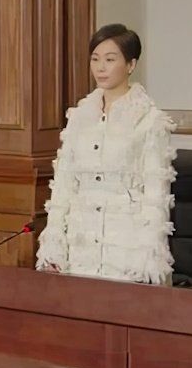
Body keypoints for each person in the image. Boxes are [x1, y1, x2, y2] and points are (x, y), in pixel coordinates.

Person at [34, 24, 177, 285]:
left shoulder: (150, 120)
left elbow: (156, 196)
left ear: (131, 65)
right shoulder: (79, 117)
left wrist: (147, 259)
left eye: (110, 60)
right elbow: (64, 186)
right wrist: (53, 243)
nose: (101, 68)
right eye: (95, 59)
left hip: (127, 247)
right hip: (80, 244)